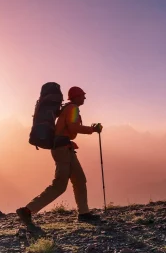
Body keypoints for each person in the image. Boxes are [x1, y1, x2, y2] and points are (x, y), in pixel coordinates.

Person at [16, 86, 103, 232]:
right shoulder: (73, 108)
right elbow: (73, 127)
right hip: (62, 149)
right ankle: (27, 210)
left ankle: (84, 213)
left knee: (80, 179)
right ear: (76, 97)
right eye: (82, 95)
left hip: (66, 148)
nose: (84, 98)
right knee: (59, 185)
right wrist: (93, 129)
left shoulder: (68, 108)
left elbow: (68, 128)